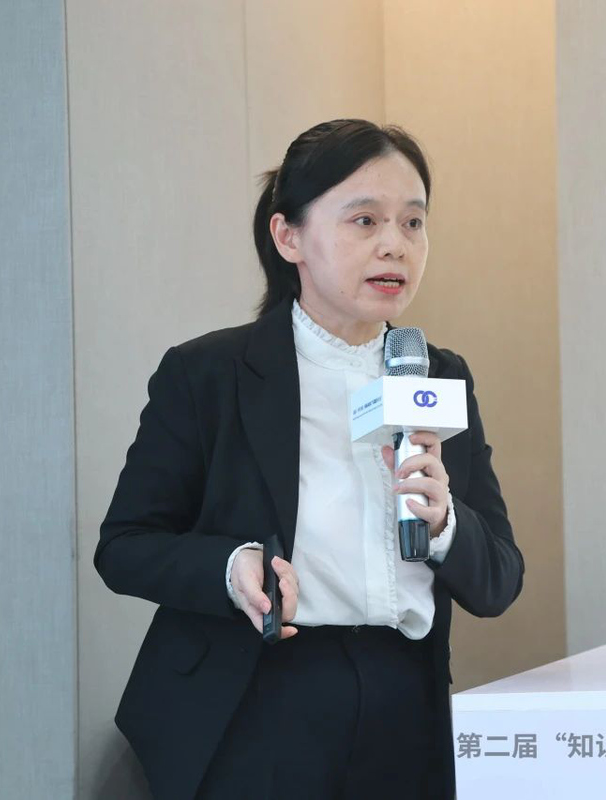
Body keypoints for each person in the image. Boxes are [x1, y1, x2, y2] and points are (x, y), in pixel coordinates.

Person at [94, 118, 524, 800]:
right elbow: (124, 547)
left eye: (413, 223)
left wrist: (445, 523)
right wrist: (230, 566)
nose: (395, 244)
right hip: (255, 698)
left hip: (404, 702)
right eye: (365, 220)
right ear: (288, 236)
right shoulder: (210, 374)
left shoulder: (441, 376)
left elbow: (499, 579)